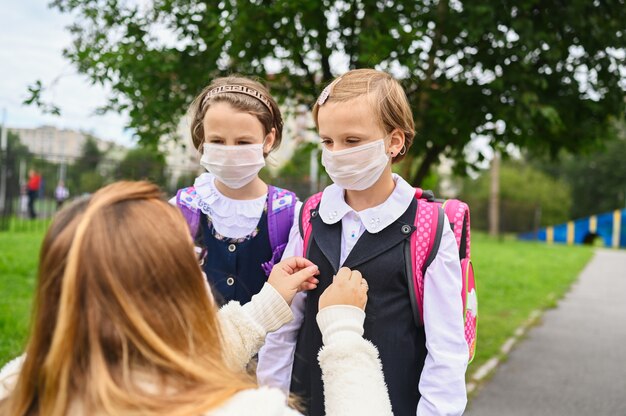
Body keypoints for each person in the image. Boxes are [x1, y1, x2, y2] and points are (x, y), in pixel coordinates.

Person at [0, 181, 393, 416]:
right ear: (174, 288)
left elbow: (158, 360)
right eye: (192, 258)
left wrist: (265, 305)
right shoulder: (242, 410)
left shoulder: (23, 387)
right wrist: (343, 333)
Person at [257, 69, 468, 416]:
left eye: (352, 141)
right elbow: (283, 327)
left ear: (394, 141)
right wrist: (271, 402)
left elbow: (446, 351)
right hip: (307, 403)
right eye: (327, 141)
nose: (336, 153)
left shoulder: (428, 227)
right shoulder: (310, 215)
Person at [173, 76, 300, 306]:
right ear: (203, 139)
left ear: (268, 140)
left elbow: (296, 308)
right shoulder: (180, 209)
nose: (230, 152)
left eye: (243, 142)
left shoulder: (290, 214)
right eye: (218, 141)